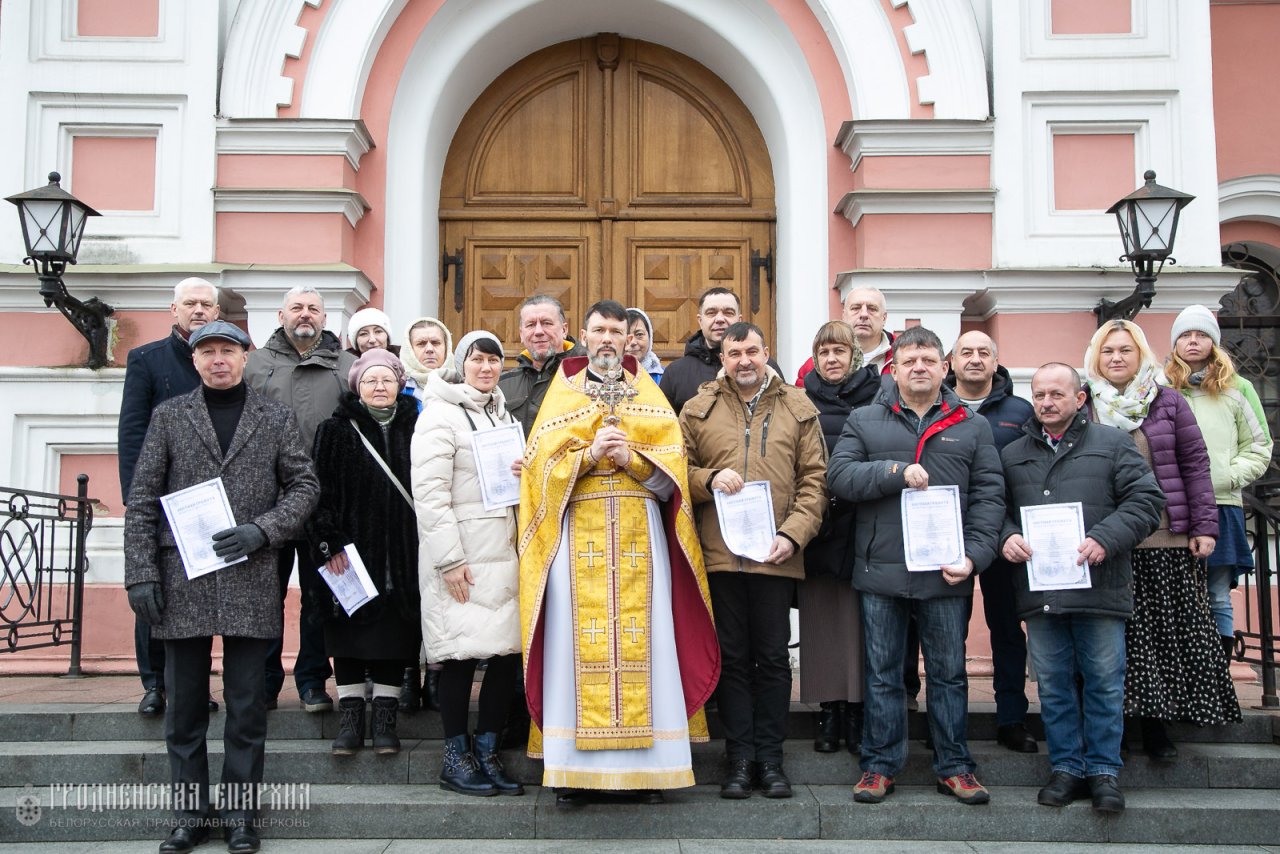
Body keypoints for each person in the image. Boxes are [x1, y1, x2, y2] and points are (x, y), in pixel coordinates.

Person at [123, 320, 320, 854]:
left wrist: (265, 530)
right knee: (184, 708)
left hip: (251, 576)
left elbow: (304, 487)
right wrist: (140, 573)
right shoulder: (169, 416)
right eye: (206, 351)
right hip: (180, 579)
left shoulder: (274, 417)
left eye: (227, 351)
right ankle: (188, 815)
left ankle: (239, 815)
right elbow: (142, 500)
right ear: (194, 361)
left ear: (244, 357)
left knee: (247, 706)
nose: (217, 360)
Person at [519, 299, 719, 807]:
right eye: (599, 330)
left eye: (617, 330)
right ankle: (573, 773)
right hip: (576, 539)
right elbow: (537, 474)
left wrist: (632, 459)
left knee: (645, 642)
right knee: (573, 644)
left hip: (639, 536)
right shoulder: (562, 395)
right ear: (582, 335)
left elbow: (671, 476)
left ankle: (648, 771)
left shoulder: (648, 394)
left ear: (630, 337)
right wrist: (585, 455)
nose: (607, 338)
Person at [826, 325, 1004, 806]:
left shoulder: (971, 424)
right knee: (882, 674)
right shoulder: (865, 419)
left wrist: (974, 556)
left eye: (928, 360)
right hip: (881, 572)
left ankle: (955, 766)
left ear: (943, 367)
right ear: (895, 368)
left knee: (948, 674)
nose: (919, 368)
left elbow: (989, 497)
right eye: (910, 361)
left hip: (946, 572)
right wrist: (894, 473)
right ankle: (879, 765)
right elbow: (839, 476)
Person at [1000, 363, 1165, 814]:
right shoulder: (1013, 454)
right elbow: (995, 508)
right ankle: (1067, 768)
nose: (1047, 402)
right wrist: (1006, 536)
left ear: (1079, 399)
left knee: (1104, 684)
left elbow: (1148, 501)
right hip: (1043, 592)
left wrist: (1104, 539)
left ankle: (1104, 772)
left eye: (1057, 394)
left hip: (1100, 588)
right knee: (1052, 685)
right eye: (1039, 395)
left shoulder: (1112, 444)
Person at [681, 321, 828, 799]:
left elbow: (814, 482)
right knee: (732, 659)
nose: (743, 360)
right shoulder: (697, 410)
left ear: (766, 353)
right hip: (720, 557)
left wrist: (793, 535)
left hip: (774, 554)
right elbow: (674, 470)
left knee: (773, 657)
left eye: (751, 351)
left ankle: (772, 759)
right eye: (733, 353)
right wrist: (708, 479)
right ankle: (739, 758)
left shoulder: (798, 408)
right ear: (721, 357)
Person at [1084, 319, 1239, 758]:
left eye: (1125, 350)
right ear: (1096, 356)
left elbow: (1194, 464)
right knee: (1120, 639)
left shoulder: (1167, 402)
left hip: (1165, 537)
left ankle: (1158, 727)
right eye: (1109, 350)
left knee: (1164, 636)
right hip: (1106, 541)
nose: (1116, 358)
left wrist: (1205, 526)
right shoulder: (1086, 405)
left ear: (1142, 355)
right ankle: (1121, 725)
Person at [412, 331, 525, 797]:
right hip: (462, 560)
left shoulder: (503, 414)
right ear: (462, 364)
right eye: (478, 360)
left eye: (494, 361)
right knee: (458, 657)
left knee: (505, 656)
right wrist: (450, 560)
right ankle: (455, 759)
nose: (486, 368)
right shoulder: (439, 415)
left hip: (505, 555)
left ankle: (488, 750)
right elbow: (430, 493)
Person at [246, 285, 356, 713]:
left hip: (324, 506)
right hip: (267, 503)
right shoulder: (255, 365)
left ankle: (312, 680)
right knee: (264, 595)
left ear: (326, 319)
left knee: (319, 597)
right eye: (297, 307)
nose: (305, 314)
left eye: (313, 308)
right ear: (281, 315)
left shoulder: (347, 366)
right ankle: (265, 681)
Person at [307, 349, 421, 756]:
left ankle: (386, 719)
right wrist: (328, 542)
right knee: (349, 632)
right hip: (350, 553)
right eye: (371, 380)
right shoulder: (334, 430)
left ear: (399, 385)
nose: (379, 386)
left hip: (404, 553)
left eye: (387, 379)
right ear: (357, 386)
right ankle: (352, 717)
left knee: (395, 631)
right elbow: (318, 492)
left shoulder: (418, 426)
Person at [117, 277, 221, 718]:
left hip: (211, 503)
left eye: (206, 304)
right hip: (162, 500)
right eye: (190, 303)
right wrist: (137, 498)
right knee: (155, 597)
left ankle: (194, 687)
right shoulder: (147, 360)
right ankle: (154, 683)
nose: (198, 310)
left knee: (205, 599)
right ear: (173, 309)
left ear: (217, 312)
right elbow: (133, 433)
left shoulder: (225, 360)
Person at [945, 330, 1038, 753]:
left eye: (984, 352)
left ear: (996, 361)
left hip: (1005, 537)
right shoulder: (938, 407)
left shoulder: (1020, 411)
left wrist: (1014, 527)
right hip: (948, 536)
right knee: (948, 631)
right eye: (967, 352)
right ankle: (948, 719)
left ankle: (1012, 717)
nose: (975, 359)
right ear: (952, 361)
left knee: (1006, 627)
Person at [1165, 305, 1274, 653]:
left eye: (1201, 335)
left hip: (1221, 504)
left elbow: (1259, 445)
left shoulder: (1238, 388)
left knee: (1216, 594)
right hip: (1173, 507)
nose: (1193, 342)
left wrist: (1226, 476)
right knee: (1175, 596)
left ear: (1213, 342)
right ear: (1175, 343)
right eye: (1185, 335)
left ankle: (1219, 677)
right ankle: (1185, 676)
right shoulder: (1160, 388)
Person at [797, 321, 879, 755]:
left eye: (840, 351)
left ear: (855, 356)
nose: (832, 359)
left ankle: (860, 712)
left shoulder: (881, 394)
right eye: (824, 351)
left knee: (867, 626)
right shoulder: (800, 399)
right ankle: (830, 711)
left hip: (866, 527)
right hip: (820, 528)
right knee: (824, 622)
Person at [660, 288, 780, 415]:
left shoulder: (765, 368)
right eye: (711, 313)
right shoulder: (676, 372)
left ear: (739, 320)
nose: (720, 319)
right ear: (700, 321)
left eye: (728, 312)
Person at [500, 295, 586, 436]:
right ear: (521, 334)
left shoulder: (587, 374)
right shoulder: (502, 384)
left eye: (546, 323)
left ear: (564, 330)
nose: (539, 331)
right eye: (531, 325)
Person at [794, 286, 895, 384]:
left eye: (872, 309)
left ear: (884, 318)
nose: (864, 314)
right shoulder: (813, 368)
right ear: (844, 316)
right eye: (856, 308)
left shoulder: (902, 360)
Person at [401, 317, 453, 408]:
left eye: (435, 342)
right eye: (421, 343)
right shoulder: (399, 388)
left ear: (447, 347)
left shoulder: (463, 384)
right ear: (410, 349)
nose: (429, 349)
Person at [626, 307, 664, 382]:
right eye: (626, 335)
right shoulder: (603, 377)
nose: (633, 342)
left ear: (650, 337)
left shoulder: (664, 377)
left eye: (639, 334)